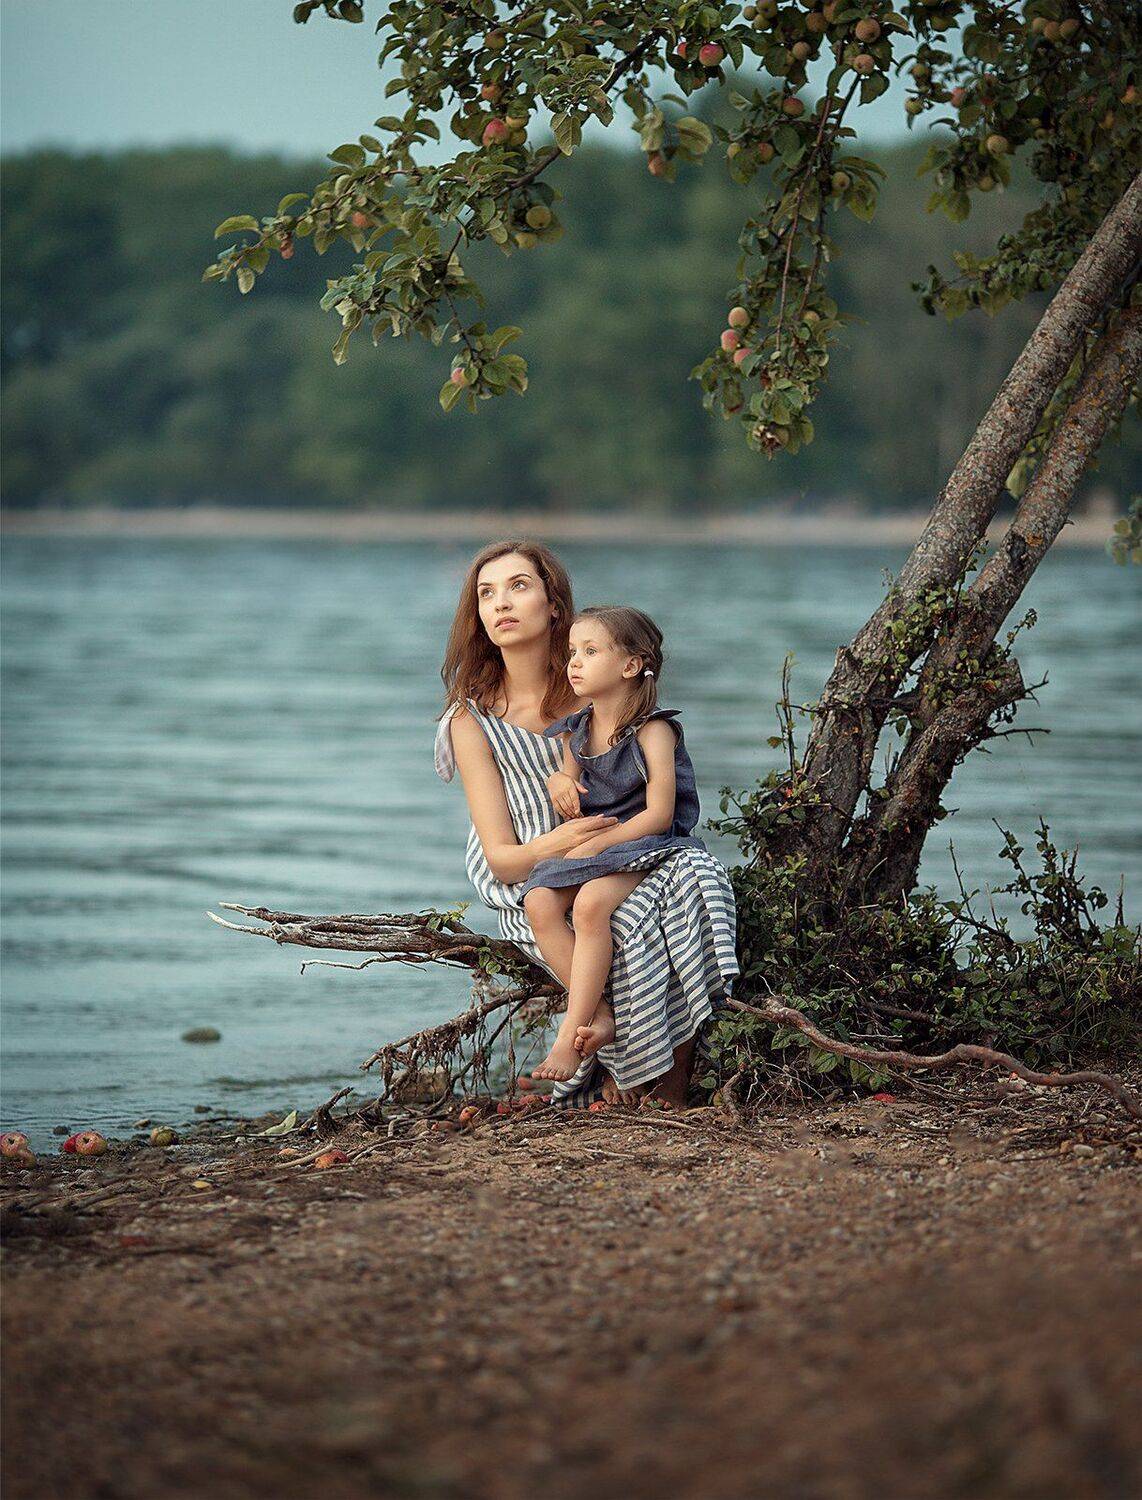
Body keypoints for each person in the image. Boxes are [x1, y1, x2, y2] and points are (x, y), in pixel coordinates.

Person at [434, 539, 738, 1108]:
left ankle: (656, 1089)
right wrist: (563, 843)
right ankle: (610, 1054)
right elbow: (501, 859)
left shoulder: (593, 684)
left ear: (555, 603)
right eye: (486, 593)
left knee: (637, 918)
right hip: (530, 871)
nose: (500, 603)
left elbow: (646, 774)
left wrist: (603, 838)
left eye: (518, 585)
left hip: (627, 851)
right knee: (580, 911)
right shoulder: (470, 719)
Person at [521, 605, 708, 1083]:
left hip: (648, 842)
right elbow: (569, 770)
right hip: (601, 844)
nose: (574, 663)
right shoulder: (578, 729)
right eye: (571, 653)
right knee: (539, 901)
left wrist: (597, 849)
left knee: (588, 907)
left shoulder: (654, 731)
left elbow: (660, 814)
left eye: (590, 651)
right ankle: (600, 1014)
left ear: (630, 665)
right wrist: (558, 782)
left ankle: (570, 1032)